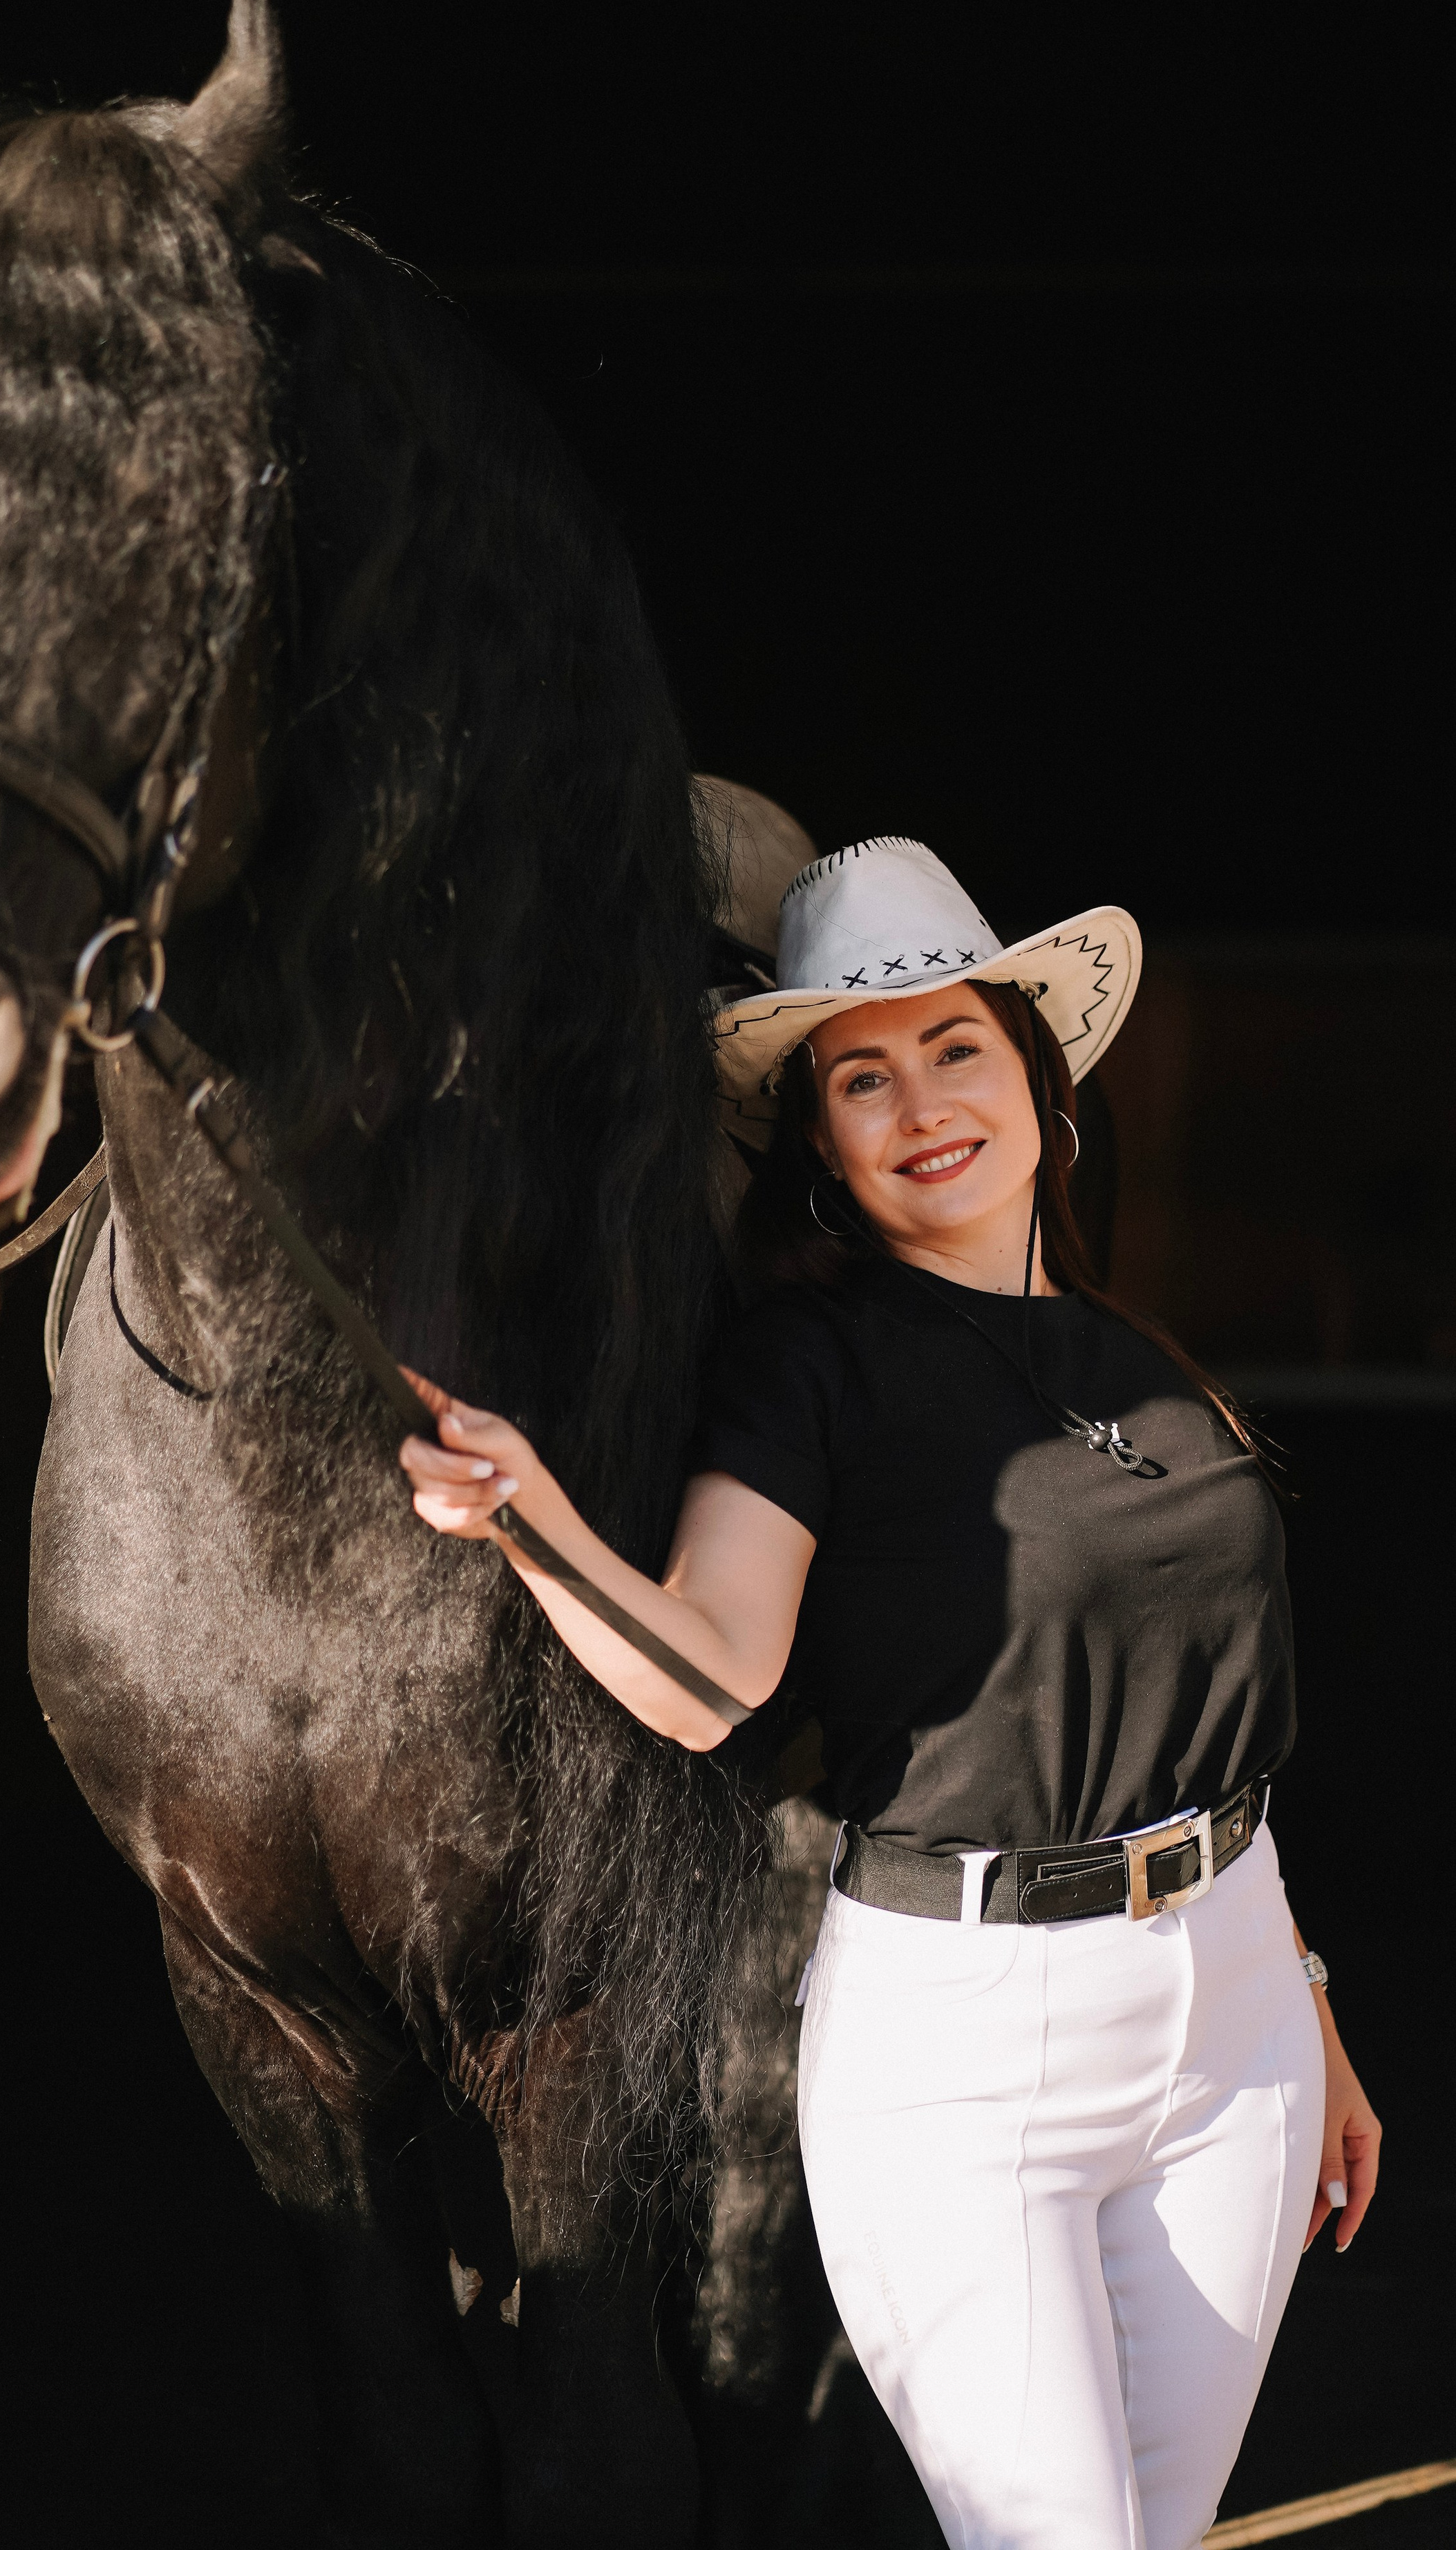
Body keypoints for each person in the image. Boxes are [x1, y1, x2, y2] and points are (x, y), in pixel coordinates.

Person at [399, 835, 1379, 2550]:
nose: (921, 1100)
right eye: (862, 1074)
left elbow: (1207, 1733)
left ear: (1034, 1082)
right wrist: (529, 1517)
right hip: (967, 2047)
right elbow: (710, 1677)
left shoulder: (1137, 1358)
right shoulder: (811, 1366)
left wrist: (1299, 1998)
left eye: (954, 1049)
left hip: (1234, 2029)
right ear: (822, 1150)